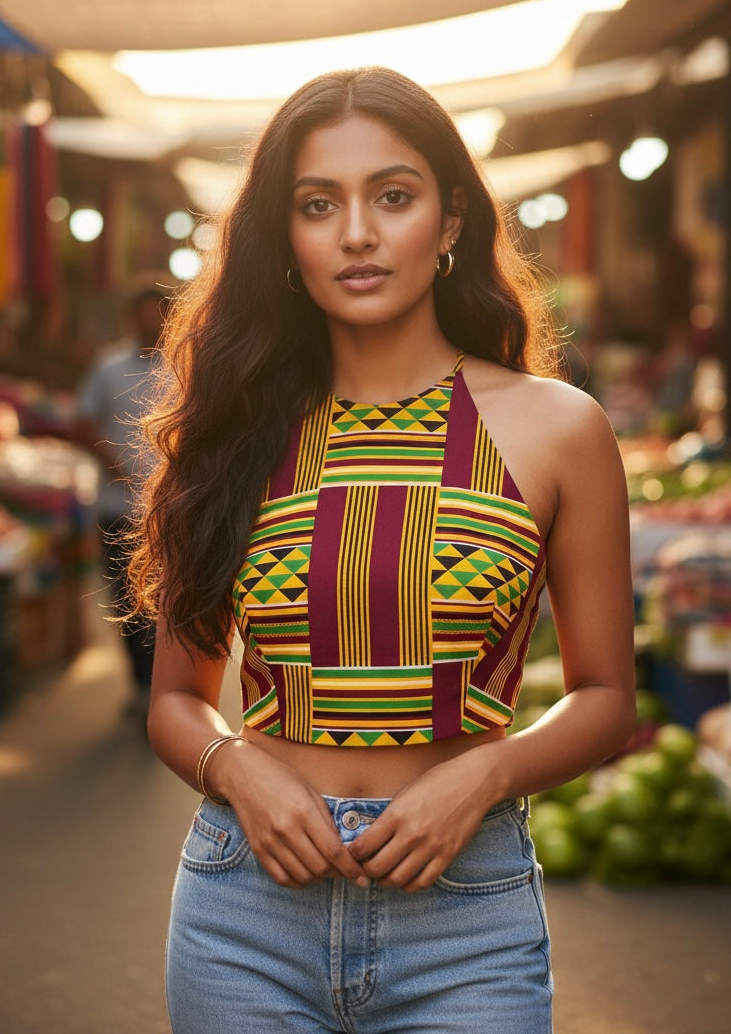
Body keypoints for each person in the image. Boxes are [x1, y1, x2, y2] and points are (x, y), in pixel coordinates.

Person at [130, 67, 635, 1033]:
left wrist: (487, 774)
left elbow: (607, 696)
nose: (356, 233)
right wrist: (234, 768)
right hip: (245, 913)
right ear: (285, 237)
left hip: (465, 922)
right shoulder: (234, 430)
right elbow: (175, 703)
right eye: (318, 205)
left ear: (450, 221)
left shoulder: (559, 428)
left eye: (392, 197)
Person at [75, 272, 172, 720]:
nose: (151, 319)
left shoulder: (187, 364)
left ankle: (166, 690)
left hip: (173, 510)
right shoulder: (108, 367)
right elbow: (83, 424)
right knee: (127, 603)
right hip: (119, 510)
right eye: (143, 311)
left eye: (159, 311)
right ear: (132, 316)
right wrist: (114, 465)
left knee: (169, 603)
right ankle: (141, 685)